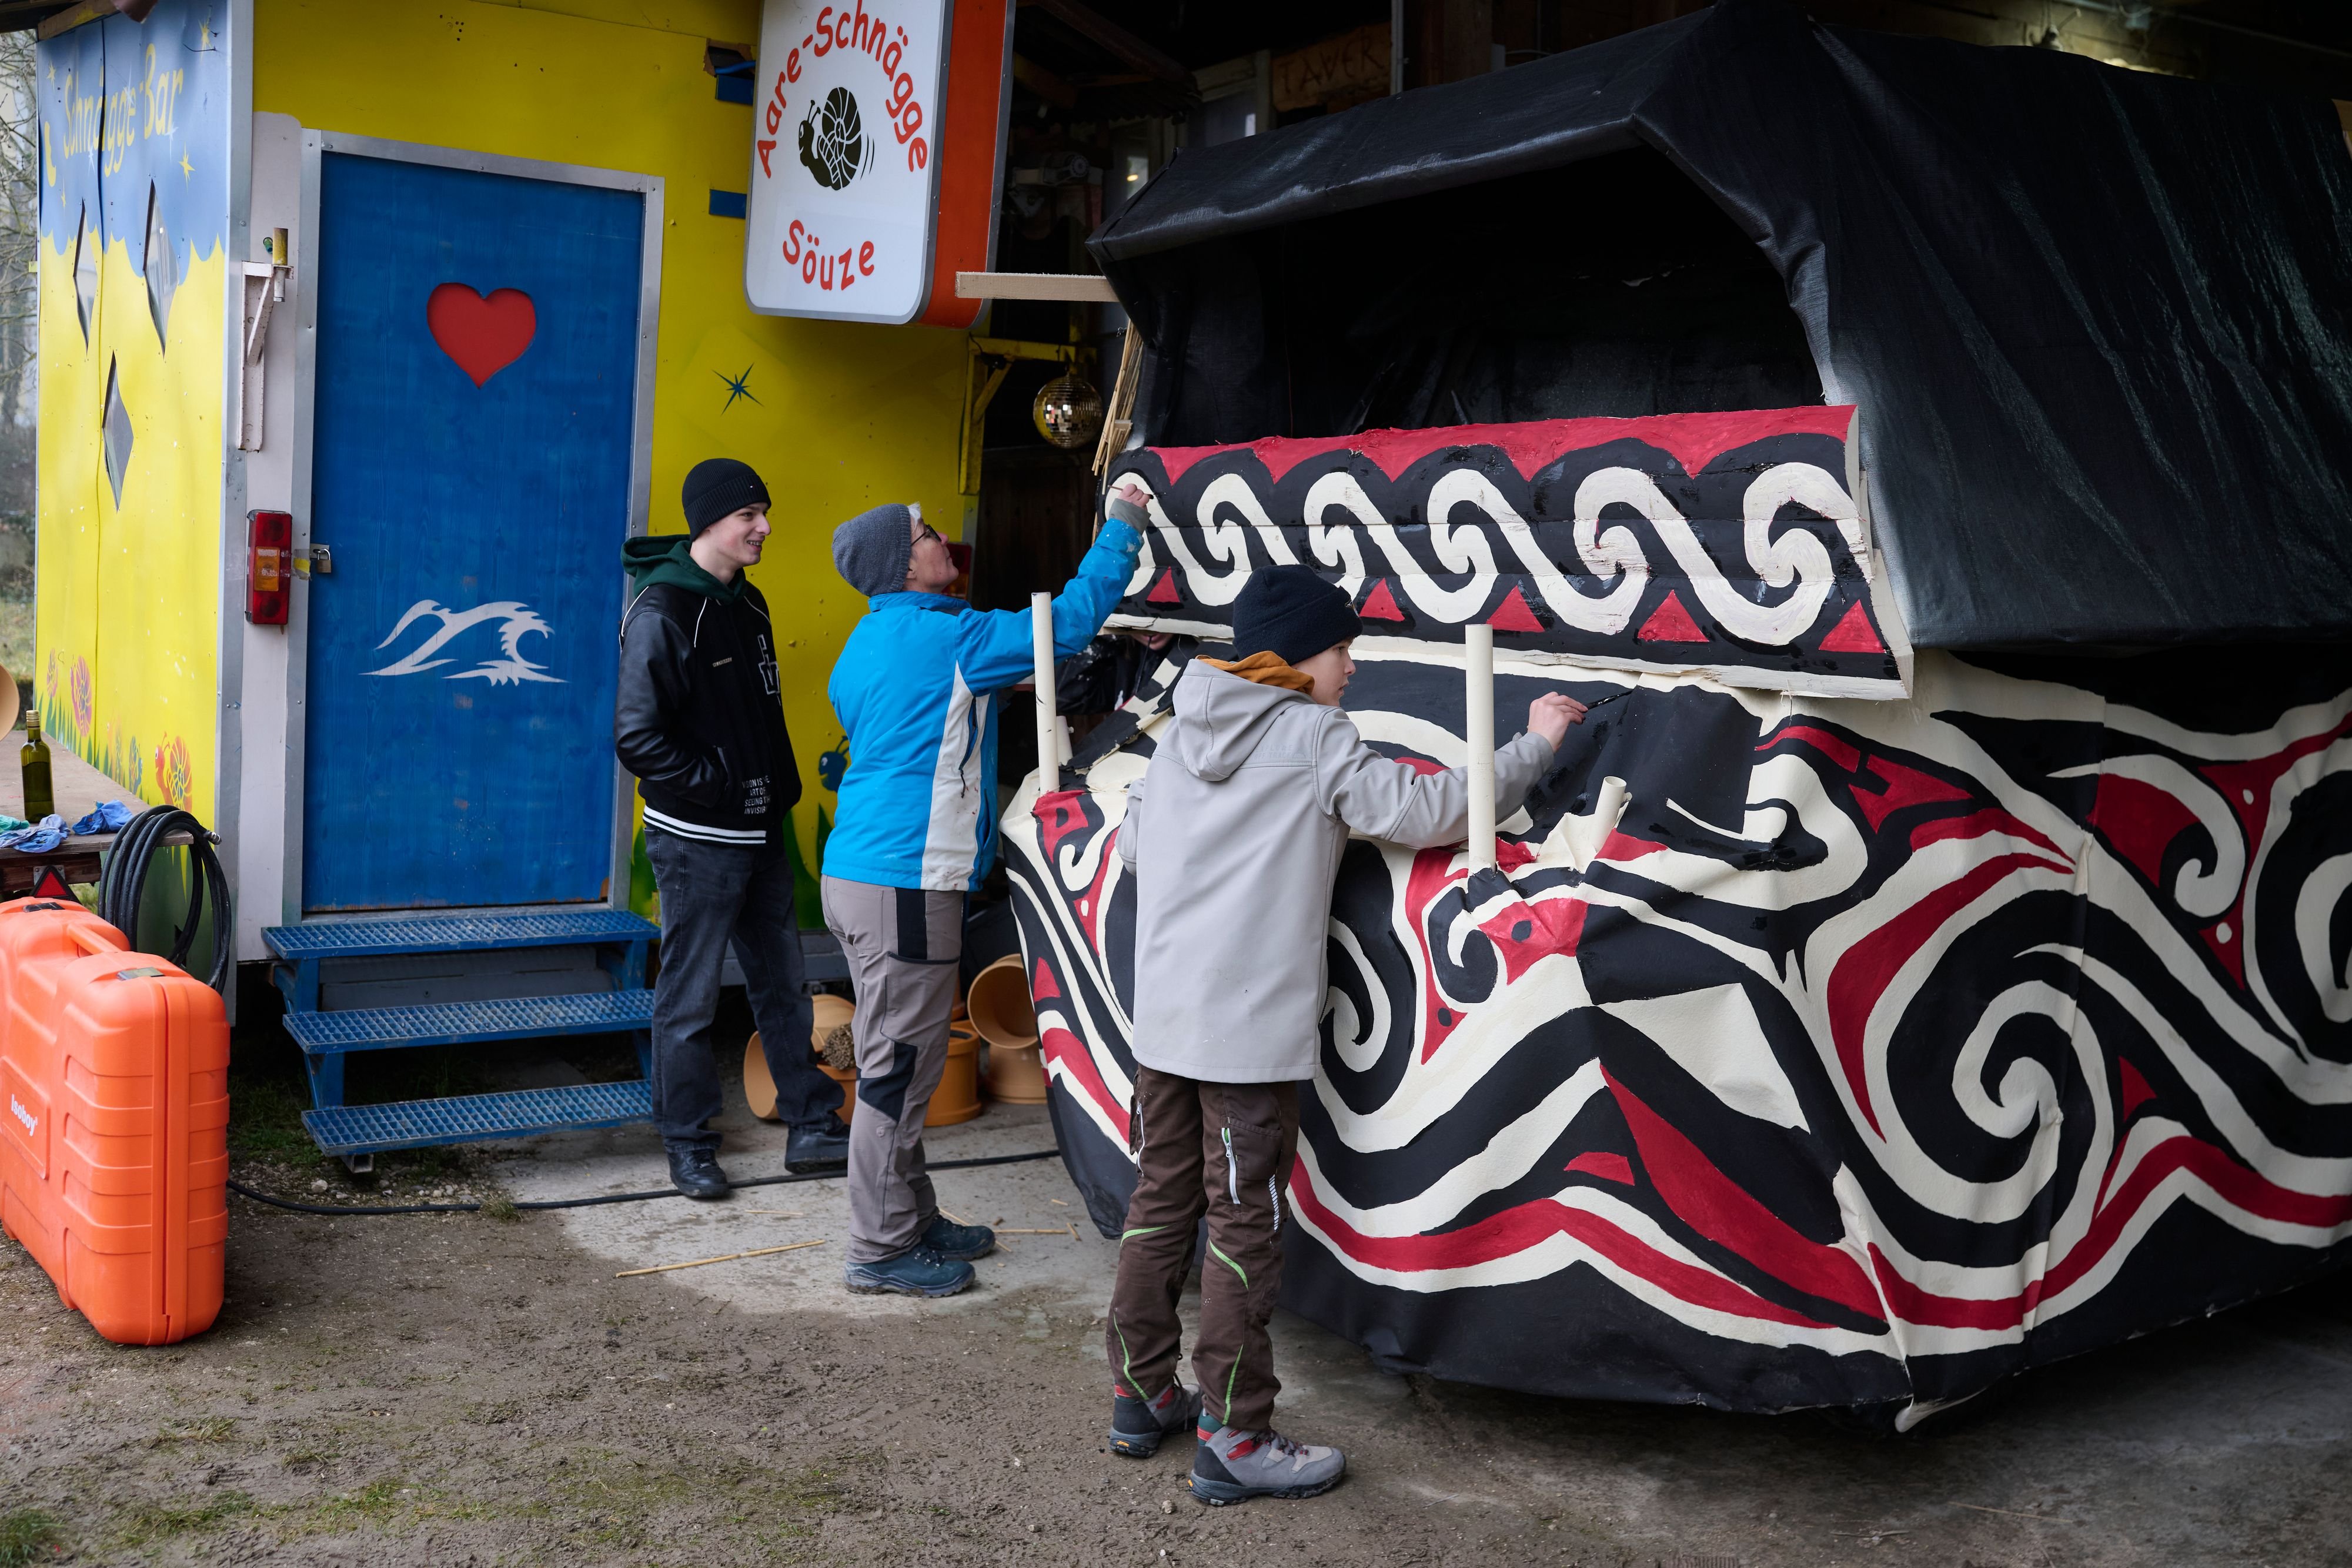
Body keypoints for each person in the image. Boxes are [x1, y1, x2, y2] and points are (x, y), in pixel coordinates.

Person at [1105, 565, 1585, 1503]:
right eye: (1340, 647)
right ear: (1295, 655)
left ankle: (1140, 1393)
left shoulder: (1179, 728)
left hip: (1161, 1022)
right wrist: (1535, 744)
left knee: (1159, 1202)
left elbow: (1131, 846)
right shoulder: (1316, 735)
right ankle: (1235, 1436)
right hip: (1244, 1040)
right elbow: (1427, 811)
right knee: (1243, 1227)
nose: (1353, 665)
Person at [823, 487, 1150, 1297]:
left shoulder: (867, 641)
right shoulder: (950, 636)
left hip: (858, 873)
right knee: (898, 1069)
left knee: (899, 1055)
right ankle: (878, 1246)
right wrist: (1123, 527)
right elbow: (1064, 625)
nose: (944, 541)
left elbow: (925, 717)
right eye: (928, 535)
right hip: (905, 880)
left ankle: (910, 1216)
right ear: (904, 564)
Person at [616, 458, 849, 1200]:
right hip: (697, 840)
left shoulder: (750, 604)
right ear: (709, 521)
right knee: (689, 1000)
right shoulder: (661, 612)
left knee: (783, 986)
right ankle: (687, 1143)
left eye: (764, 512)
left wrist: (772, 790)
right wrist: (716, 785)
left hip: (761, 831)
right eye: (750, 515)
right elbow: (636, 738)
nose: (765, 528)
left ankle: (811, 1122)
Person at [1056, 628, 1195, 716]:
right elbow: (1065, 697)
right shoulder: (1123, 659)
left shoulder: (1198, 658)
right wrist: (1111, 630)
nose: (1149, 626)